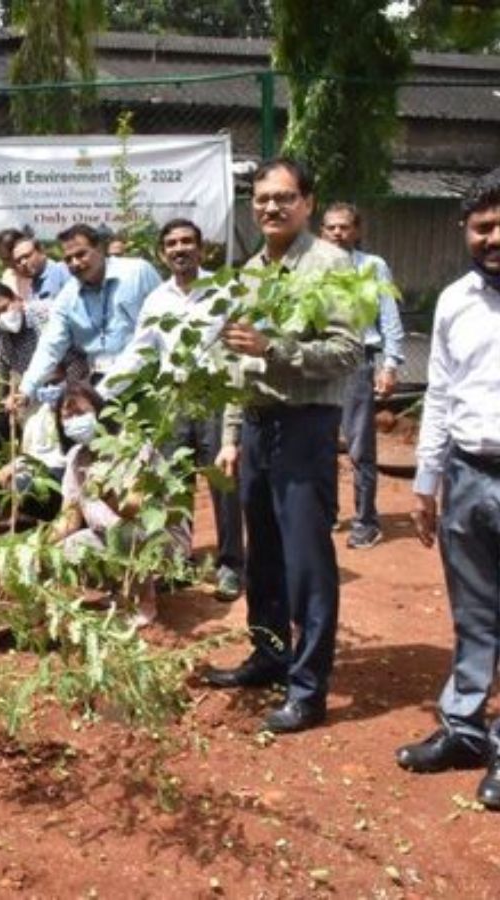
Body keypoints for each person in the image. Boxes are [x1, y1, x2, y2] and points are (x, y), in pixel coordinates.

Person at [204, 159, 361, 734]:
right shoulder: (249, 272)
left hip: (304, 425)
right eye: (263, 197)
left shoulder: (330, 265)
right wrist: (229, 436)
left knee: (306, 562)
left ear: (308, 203)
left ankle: (309, 688)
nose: (272, 207)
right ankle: (269, 654)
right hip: (257, 424)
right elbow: (237, 363)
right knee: (263, 555)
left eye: (284, 197)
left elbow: (347, 353)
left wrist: (277, 349)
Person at [396, 169, 500, 808]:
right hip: (464, 474)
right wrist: (426, 482)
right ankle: (463, 729)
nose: (494, 237)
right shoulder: (453, 301)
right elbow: (437, 393)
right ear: (464, 231)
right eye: (483, 226)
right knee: (473, 613)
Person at [102, 218, 244, 602]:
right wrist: (104, 392)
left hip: (215, 396)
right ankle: (178, 563)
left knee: (222, 482)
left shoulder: (225, 288)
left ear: (201, 248)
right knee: (173, 485)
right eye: (171, 244)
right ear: (162, 253)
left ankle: (231, 564)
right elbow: (138, 351)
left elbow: (240, 347)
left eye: (186, 242)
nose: (179, 249)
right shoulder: (157, 300)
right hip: (173, 400)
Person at [49, 382, 187, 627]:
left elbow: (134, 508)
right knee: (67, 549)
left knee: (124, 531)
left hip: (159, 537)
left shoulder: (131, 447)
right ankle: (117, 589)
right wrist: (34, 547)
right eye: (67, 417)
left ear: (100, 412)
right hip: (112, 537)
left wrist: (106, 491)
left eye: (80, 413)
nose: (73, 421)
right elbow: (68, 520)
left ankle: (143, 602)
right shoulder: (77, 459)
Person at [320, 202, 405, 549]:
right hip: (322, 364)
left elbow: (389, 318)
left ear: (357, 230)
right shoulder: (314, 268)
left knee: (360, 448)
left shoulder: (372, 266)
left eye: (344, 226)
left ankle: (366, 521)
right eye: (330, 227)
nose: (337, 232)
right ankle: (326, 514)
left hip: (357, 362)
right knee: (321, 445)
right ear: (321, 231)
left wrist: (391, 364)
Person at [17, 223, 160, 400]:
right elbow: (50, 347)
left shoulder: (138, 273)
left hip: (146, 376)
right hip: (100, 381)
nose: (75, 263)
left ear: (99, 248)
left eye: (81, 254)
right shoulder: (67, 297)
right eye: (68, 259)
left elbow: (163, 324)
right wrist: (26, 389)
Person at [11, 236, 72, 307]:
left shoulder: (62, 271)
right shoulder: (33, 287)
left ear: (41, 252)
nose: (23, 263)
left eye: (27, 256)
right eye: (18, 261)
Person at [0, 228, 31, 301]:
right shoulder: (7, 276)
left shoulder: (44, 274)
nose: (2, 264)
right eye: (1, 259)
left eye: (6, 259)